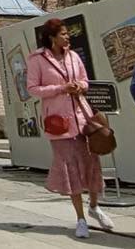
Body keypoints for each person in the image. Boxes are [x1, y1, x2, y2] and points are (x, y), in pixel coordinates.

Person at [27, 18, 110, 239]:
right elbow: (33, 88)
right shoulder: (37, 59)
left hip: (83, 118)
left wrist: (79, 86)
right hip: (59, 122)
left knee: (92, 163)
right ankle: (80, 218)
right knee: (71, 170)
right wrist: (61, 88)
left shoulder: (73, 56)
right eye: (63, 34)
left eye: (67, 33)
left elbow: (85, 80)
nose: (67, 37)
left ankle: (94, 206)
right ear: (51, 37)